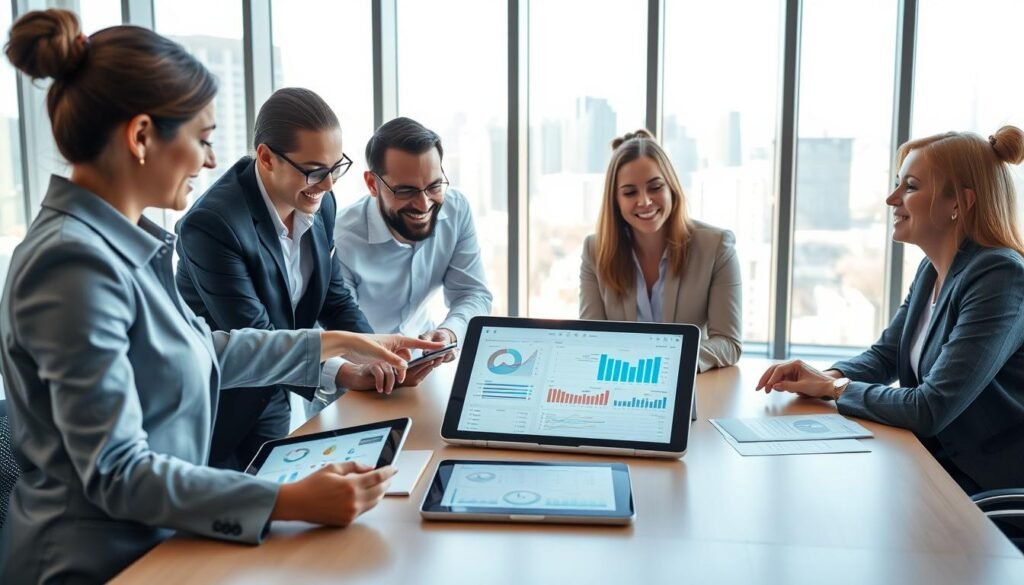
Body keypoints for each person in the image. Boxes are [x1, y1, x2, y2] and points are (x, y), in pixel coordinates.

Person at [0, 11, 440, 583]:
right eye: (203, 140)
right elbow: (116, 471)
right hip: (97, 565)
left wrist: (346, 341)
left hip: (159, 541)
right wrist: (286, 501)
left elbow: (204, 348)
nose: (210, 161)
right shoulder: (71, 264)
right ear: (139, 137)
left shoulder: (115, 244)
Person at [756, 126, 1024, 495]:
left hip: (983, 488)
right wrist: (822, 376)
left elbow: (929, 409)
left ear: (958, 203)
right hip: (929, 469)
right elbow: (885, 357)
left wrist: (833, 387)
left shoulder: (1000, 276)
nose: (890, 199)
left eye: (910, 187)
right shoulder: (933, 269)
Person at [175, 88, 402, 470]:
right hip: (215, 411)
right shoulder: (212, 225)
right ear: (265, 157)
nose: (329, 184)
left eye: (335, 167)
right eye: (315, 170)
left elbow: (333, 298)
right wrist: (346, 372)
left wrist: (378, 357)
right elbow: (255, 335)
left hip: (273, 400)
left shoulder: (319, 200)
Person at [580, 129, 742, 372]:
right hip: (620, 384)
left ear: (672, 188)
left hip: (688, 389)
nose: (644, 201)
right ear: (615, 200)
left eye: (655, 187)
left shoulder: (716, 247)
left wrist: (669, 362)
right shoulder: (595, 250)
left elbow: (729, 343)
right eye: (630, 192)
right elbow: (590, 340)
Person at [335, 117, 493, 362]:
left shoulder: (456, 209)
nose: (423, 204)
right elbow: (339, 333)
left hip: (424, 364)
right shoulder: (342, 238)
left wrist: (449, 333)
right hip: (361, 371)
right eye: (406, 191)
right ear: (372, 184)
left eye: (434, 186)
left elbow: (472, 294)